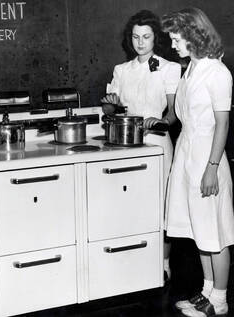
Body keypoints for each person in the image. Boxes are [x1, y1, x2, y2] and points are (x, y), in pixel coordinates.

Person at [160, 7, 234, 317]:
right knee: (197, 230)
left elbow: (223, 124)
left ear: (194, 36)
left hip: (207, 158)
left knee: (215, 233)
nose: (173, 45)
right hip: (187, 154)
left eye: (177, 39)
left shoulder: (217, 73)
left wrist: (212, 169)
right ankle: (205, 291)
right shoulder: (190, 68)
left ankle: (220, 299)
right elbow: (179, 114)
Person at [101, 10, 181, 282]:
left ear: (155, 38)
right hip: (126, 144)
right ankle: (131, 259)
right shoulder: (121, 71)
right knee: (128, 202)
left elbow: (174, 113)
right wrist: (109, 101)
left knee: (160, 205)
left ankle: (163, 263)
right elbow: (112, 108)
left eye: (146, 37)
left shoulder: (170, 68)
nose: (140, 42)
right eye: (135, 37)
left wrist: (158, 122)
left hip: (158, 145)